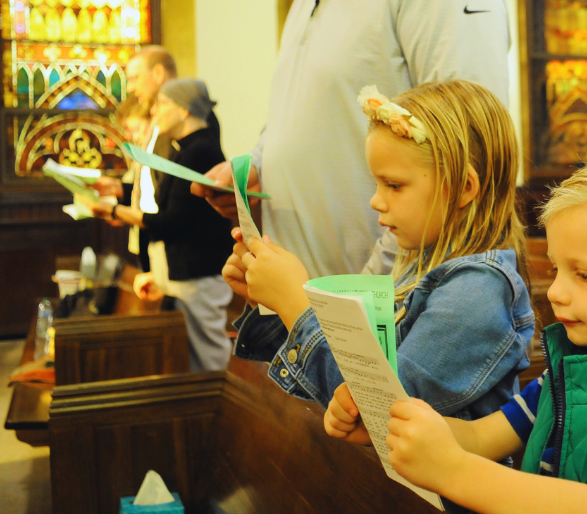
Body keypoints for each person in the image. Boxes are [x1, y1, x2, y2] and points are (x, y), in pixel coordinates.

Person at [324, 150, 587, 514]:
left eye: (584, 276)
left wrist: (453, 470)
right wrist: (388, 423)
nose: (558, 293)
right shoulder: (568, 375)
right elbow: (480, 437)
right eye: (555, 270)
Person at [195, 0, 510, 282]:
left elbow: (466, 146)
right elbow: (306, 117)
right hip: (304, 312)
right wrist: (257, 170)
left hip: (382, 316)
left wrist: (364, 297)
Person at [223, 81, 534, 426]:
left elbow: (386, 406)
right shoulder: (419, 264)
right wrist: (268, 302)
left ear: (463, 188)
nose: (376, 200)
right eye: (377, 183)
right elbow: (333, 378)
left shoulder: (477, 290)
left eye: (394, 185)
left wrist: (296, 304)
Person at [88, 79, 234, 371]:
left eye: (162, 104)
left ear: (183, 110)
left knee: (206, 355)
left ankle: (212, 410)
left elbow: (172, 221)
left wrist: (116, 210)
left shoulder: (200, 150)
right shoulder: (187, 148)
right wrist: (120, 196)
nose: (154, 112)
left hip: (198, 270)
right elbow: (166, 204)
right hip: (185, 268)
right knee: (189, 355)